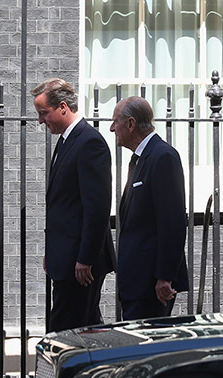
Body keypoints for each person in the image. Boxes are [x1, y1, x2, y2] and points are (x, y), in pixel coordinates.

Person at [31, 79, 115, 331]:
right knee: (83, 328)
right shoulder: (67, 140)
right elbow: (65, 205)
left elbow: (97, 207)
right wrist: (54, 250)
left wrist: (85, 258)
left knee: (67, 330)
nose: (40, 120)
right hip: (67, 258)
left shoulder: (89, 142)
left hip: (81, 264)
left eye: (43, 113)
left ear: (63, 107)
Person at [109, 96, 188, 320]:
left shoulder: (162, 157)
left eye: (116, 121)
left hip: (151, 284)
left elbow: (172, 222)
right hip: (136, 281)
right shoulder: (141, 158)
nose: (112, 127)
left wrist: (164, 277)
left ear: (131, 124)